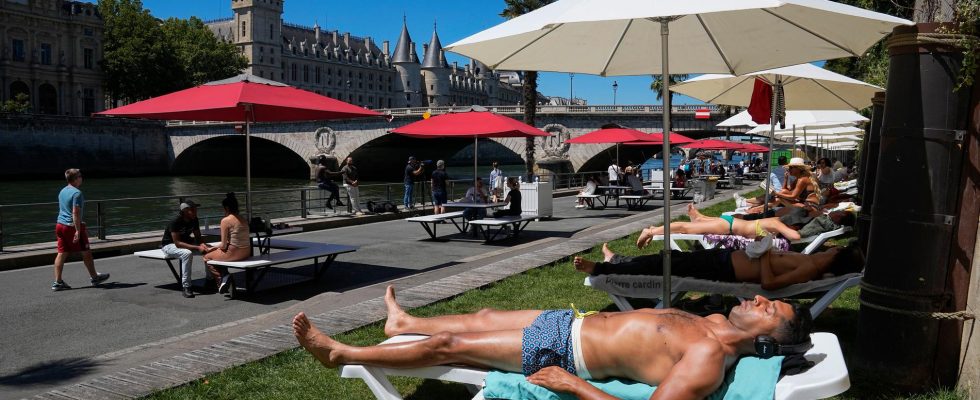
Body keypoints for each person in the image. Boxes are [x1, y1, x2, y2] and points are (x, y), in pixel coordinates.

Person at [293, 286, 813, 398]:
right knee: (486, 313)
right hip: (573, 321)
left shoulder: (709, 357)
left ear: (768, 340)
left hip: (568, 352)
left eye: (771, 308)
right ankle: (402, 325)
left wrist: (570, 384)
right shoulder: (714, 318)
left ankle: (341, 353)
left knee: (451, 342)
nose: (759, 300)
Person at [576, 241, 864, 290]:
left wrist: (764, 255)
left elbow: (769, 284)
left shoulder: (811, 269)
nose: (836, 246)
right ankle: (617, 260)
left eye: (841, 249)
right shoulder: (811, 260)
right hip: (725, 258)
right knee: (665, 259)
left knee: (664, 265)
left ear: (838, 257)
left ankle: (602, 269)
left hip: (724, 270)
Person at [51, 168, 110, 291]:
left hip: (60, 225)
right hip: (71, 226)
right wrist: (78, 230)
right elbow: (75, 212)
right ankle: (94, 277)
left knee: (61, 253)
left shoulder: (62, 191)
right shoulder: (77, 193)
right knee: (86, 251)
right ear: (75, 179)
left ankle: (58, 281)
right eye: (79, 176)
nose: (81, 177)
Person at [160, 200, 210, 298]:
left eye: (196, 209)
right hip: (169, 245)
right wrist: (197, 247)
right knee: (186, 253)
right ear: (185, 211)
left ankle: (210, 280)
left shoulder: (194, 219)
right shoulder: (175, 221)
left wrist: (203, 245)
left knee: (208, 250)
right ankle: (186, 286)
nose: (196, 212)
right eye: (193, 210)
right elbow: (177, 243)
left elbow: (198, 237)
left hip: (186, 242)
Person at [203, 193, 251, 295]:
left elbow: (223, 245)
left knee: (207, 257)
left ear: (226, 208)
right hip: (246, 252)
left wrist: (211, 248)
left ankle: (221, 280)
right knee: (217, 253)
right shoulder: (243, 219)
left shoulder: (226, 220)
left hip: (234, 253)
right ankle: (224, 278)